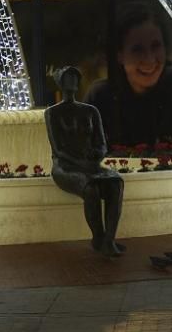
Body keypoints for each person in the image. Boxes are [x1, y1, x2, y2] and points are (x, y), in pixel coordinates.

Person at [86, 3, 172, 147]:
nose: (150, 59)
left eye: (156, 46)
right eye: (137, 49)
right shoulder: (100, 98)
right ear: (119, 55)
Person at [46, 66, 125, 257]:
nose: (72, 81)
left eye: (75, 77)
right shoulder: (52, 113)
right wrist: (82, 164)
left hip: (90, 165)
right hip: (65, 167)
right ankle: (98, 237)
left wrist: (97, 156)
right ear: (60, 82)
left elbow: (102, 144)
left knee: (116, 183)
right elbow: (58, 150)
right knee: (91, 189)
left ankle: (109, 240)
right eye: (68, 77)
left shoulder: (91, 111)